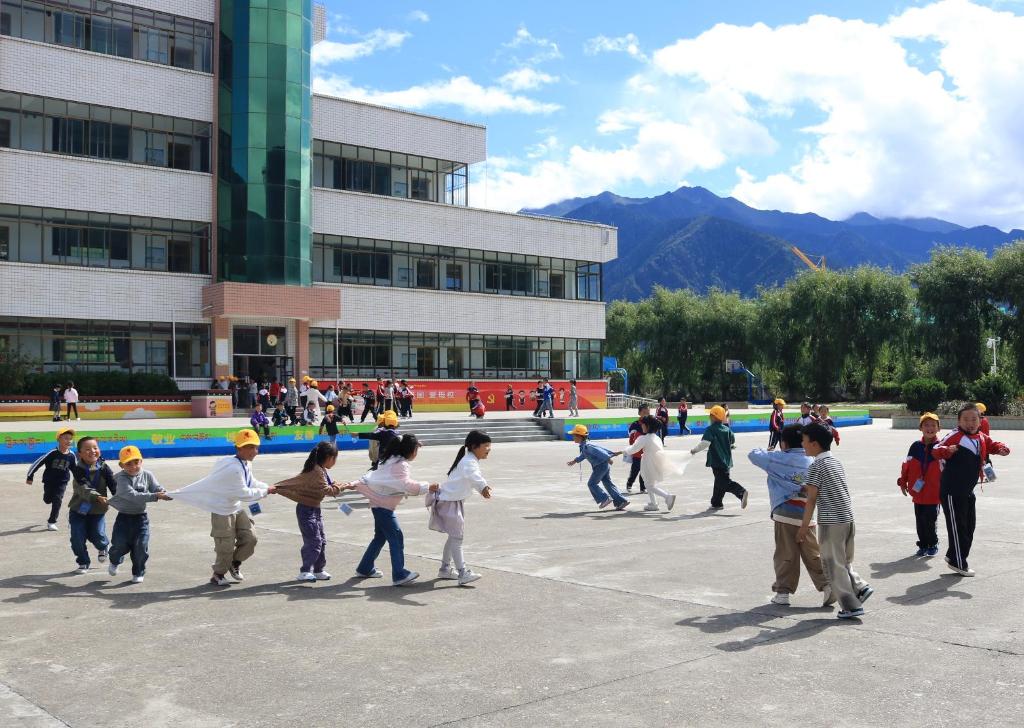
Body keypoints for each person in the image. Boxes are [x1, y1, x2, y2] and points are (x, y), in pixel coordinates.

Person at [168, 429, 276, 586]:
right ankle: (218, 574)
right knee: (225, 546)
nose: (254, 451)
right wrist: (266, 491)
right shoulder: (232, 468)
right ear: (238, 448)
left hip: (236, 508)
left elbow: (251, 482)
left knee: (250, 538)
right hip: (222, 511)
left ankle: (235, 563)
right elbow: (244, 493)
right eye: (249, 447)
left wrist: (267, 487)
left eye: (255, 447)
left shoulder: (246, 463)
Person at [748, 425, 832, 607]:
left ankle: (783, 592)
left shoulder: (778, 459)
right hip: (807, 514)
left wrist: (771, 450)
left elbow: (753, 454)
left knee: (785, 553)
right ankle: (827, 585)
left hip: (784, 513)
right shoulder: (811, 461)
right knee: (813, 553)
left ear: (784, 444)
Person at [798, 422, 872, 619]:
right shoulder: (835, 462)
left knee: (833, 565)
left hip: (831, 522)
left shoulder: (816, 466)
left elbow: (811, 499)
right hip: (847, 518)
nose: (802, 444)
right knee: (843, 561)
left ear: (814, 444)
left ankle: (851, 606)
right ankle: (860, 587)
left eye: (804, 441)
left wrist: (804, 527)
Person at [346, 434, 438, 586]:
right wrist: (428, 486)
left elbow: (375, 477)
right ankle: (399, 574)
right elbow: (407, 485)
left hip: (379, 505)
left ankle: (365, 568)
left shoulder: (390, 460)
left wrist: (353, 483)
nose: (417, 452)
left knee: (379, 538)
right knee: (396, 538)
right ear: (409, 450)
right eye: (416, 449)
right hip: (383, 507)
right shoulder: (400, 465)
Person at [931, 403, 1010, 576]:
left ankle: (953, 555)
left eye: (974, 419)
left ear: (980, 421)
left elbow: (992, 444)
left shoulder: (981, 436)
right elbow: (935, 450)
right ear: (959, 421)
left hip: (967, 490)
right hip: (952, 491)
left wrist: (1001, 448)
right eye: (965, 419)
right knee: (958, 527)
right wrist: (947, 450)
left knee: (969, 527)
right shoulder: (955, 436)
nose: (970, 423)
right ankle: (959, 563)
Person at [273, 441, 347, 582]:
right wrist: (342, 487)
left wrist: (338, 485)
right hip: (306, 511)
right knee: (314, 541)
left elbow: (326, 486)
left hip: (315, 509)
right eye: (335, 458)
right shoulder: (316, 471)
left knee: (321, 540)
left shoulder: (321, 469)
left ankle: (318, 570)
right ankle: (305, 571)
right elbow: (327, 490)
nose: (335, 461)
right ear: (329, 457)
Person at [428, 430, 493, 586]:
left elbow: (472, 476)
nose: (489, 449)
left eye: (489, 445)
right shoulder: (469, 461)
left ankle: (445, 569)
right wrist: (483, 487)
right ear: (474, 446)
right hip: (449, 502)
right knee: (457, 538)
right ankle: (463, 573)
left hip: (451, 501)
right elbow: (473, 475)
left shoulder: (469, 459)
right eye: (485, 445)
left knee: (453, 537)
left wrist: (481, 487)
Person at [106, 445, 171, 584]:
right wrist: (156, 496)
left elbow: (157, 488)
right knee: (119, 545)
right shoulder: (120, 478)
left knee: (141, 546)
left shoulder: (147, 475)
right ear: (121, 465)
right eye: (128, 464)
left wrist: (164, 492)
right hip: (124, 518)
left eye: (136, 462)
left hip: (141, 518)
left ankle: (138, 571)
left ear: (141, 461)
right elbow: (132, 495)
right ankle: (115, 560)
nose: (133, 467)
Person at [66, 436, 115, 574]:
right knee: (77, 536)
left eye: (95, 448)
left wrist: (121, 498)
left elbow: (114, 485)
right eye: (87, 449)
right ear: (80, 453)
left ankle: (103, 546)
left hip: (98, 510)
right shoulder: (77, 469)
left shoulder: (104, 467)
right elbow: (83, 488)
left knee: (97, 534)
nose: (92, 451)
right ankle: (83, 562)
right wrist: (97, 496)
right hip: (78, 509)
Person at [897, 412, 943, 557]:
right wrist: (903, 481)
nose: (930, 428)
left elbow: (947, 470)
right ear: (920, 428)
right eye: (926, 425)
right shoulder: (915, 446)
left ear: (938, 428)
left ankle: (932, 543)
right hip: (917, 492)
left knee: (930, 520)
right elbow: (906, 465)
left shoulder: (941, 447)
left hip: (934, 493)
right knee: (920, 520)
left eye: (933, 425)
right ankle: (923, 544)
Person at [615, 415, 677, 512]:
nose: (641, 426)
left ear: (648, 426)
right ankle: (654, 504)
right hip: (655, 461)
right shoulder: (656, 437)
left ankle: (667, 497)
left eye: (643, 424)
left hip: (648, 462)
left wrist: (622, 451)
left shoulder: (644, 438)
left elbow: (633, 449)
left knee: (649, 485)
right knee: (649, 483)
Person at [692, 405, 748, 511]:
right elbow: (732, 440)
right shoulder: (727, 429)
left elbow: (705, 443)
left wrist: (694, 450)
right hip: (726, 461)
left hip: (717, 460)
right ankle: (716, 502)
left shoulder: (711, 429)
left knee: (723, 482)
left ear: (714, 417)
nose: (709, 417)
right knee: (719, 481)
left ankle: (741, 492)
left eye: (710, 415)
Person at [25, 425, 78, 530]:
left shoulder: (72, 455)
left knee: (58, 500)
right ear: (59, 439)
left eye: (70, 439)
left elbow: (75, 469)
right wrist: (30, 476)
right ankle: (47, 497)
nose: (68, 441)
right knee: (47, 499)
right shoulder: (52, 453)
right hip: (49, 481)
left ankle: (51, 522)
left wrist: (81, 480)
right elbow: (38, 463)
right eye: (66, 438)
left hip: (62, 482)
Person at [566, 424, 629, 511]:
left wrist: (608, 458)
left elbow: (600, 452)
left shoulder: (587, 446)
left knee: (591, 484)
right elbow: (584, 455)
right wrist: (575, 460)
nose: (573, 437)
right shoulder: (586, 445)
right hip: (603, 465)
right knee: (607, 483)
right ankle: (621, 501)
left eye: (574, 435)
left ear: (580, 436)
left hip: (600, 466)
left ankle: (604, 499)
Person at [625, 405, 650, 494]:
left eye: (648, 412)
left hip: (647, 452)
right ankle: (629, 483)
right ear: (639, 413)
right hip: (637, 453)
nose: (646, 414)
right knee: (635, 470)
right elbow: (631, 439)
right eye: (644, 412)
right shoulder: (635, 425)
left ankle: (643, 487)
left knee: (645, 471)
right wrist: (632, 448)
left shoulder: (651, 423)